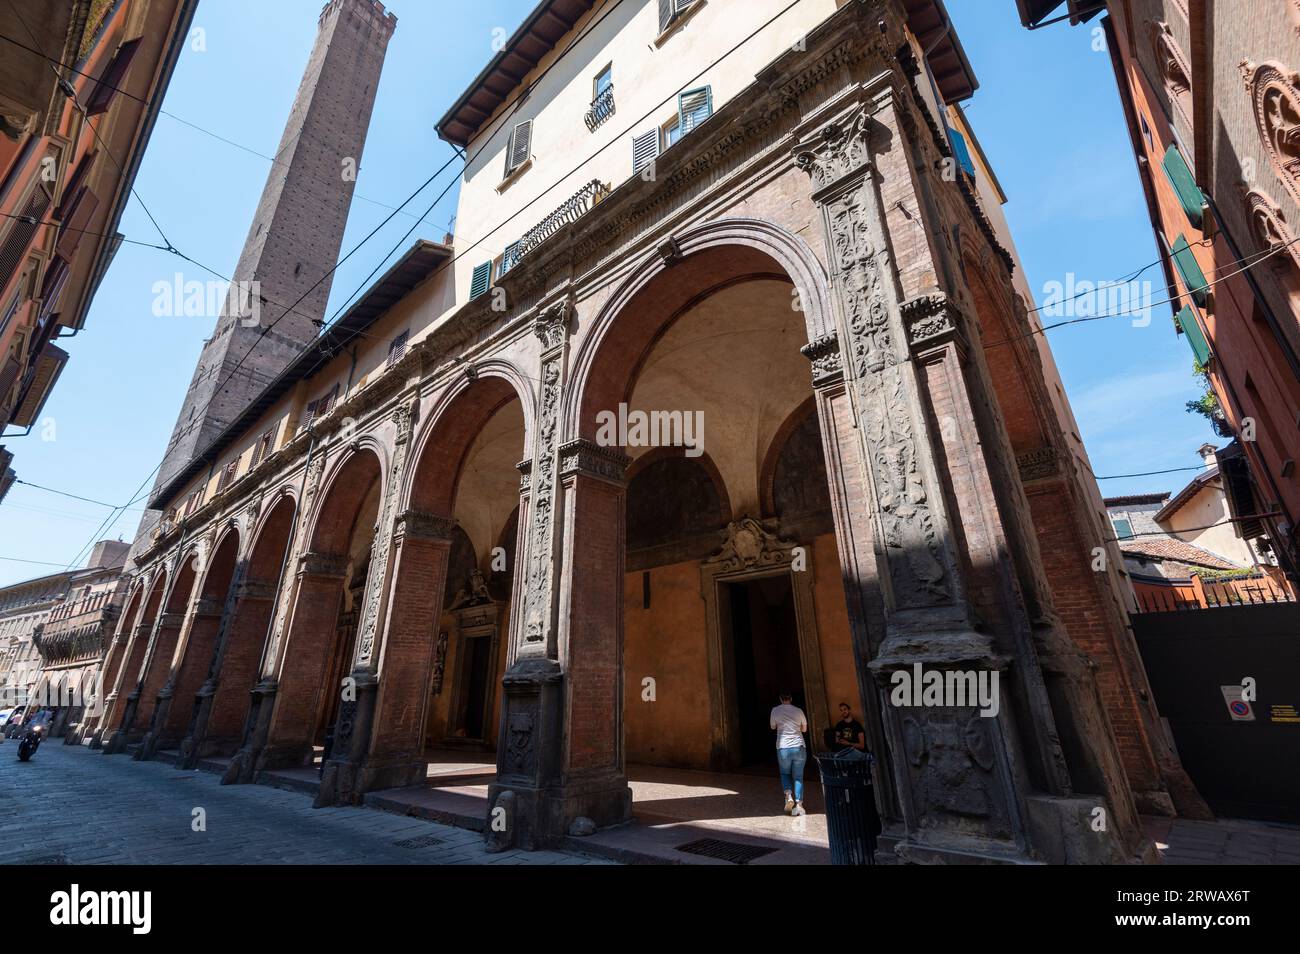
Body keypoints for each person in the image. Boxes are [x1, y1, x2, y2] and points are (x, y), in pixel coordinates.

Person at [769, 690, 808, 816]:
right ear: (791, 698)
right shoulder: (799, 710)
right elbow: (805, 729)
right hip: (799, 746)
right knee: (798, 776)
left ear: (781, 699)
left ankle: (788, 795)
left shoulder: (775, 710)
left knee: (785, 773)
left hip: (783, 747)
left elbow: (773, 727)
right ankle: (799, 805)